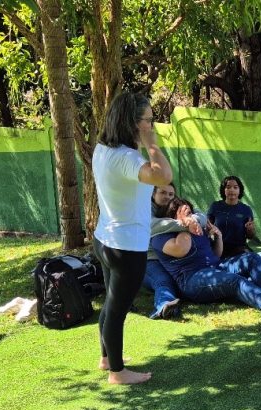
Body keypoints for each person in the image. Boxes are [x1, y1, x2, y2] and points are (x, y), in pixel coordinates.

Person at [92, 91, 172, 385]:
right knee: (117, 308)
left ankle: (106, 357)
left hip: (105, 239)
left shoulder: (103, 149)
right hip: (125, 247)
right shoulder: (126, 158)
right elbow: (164, 176)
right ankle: (117, 372)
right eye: (148, 121)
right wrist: (152, 146)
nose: (152, 126)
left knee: (111, 304)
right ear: (132, 122)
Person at [153, 198, 261, 315]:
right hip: (193, 280)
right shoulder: (160, 237)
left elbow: (215, 255)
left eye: (190, 212)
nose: (192, 217)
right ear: (172, 215)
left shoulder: (197, 227)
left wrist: (218, 237)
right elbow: (182, 248)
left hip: (215, 267)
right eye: (185, 213)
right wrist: (185, 226)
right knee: (235, 281)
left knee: (251, 258)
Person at [142, 183, 207, 319]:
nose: (167, 197)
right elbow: (152, 226)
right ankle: (163, 306)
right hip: (149, 259)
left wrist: (191, 220)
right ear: (153, 194)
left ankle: (172, 305)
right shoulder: (145, 208)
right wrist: (184, 224)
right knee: (163, 280)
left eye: (171, 194)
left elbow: (202, 215)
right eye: (163, 193)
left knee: (179, 282)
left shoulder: (173, 206)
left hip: (168, 258)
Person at [207, 175, 256, 259]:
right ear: (224, 190)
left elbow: (250, 236)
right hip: (219, 249)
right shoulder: (215, 206)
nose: (232, 190)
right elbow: (207, 227)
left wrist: (251, 230)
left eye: (235, 187)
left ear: (240, 191)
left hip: (239, 249)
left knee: (253, 259)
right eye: (228, 187)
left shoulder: (246, 209)